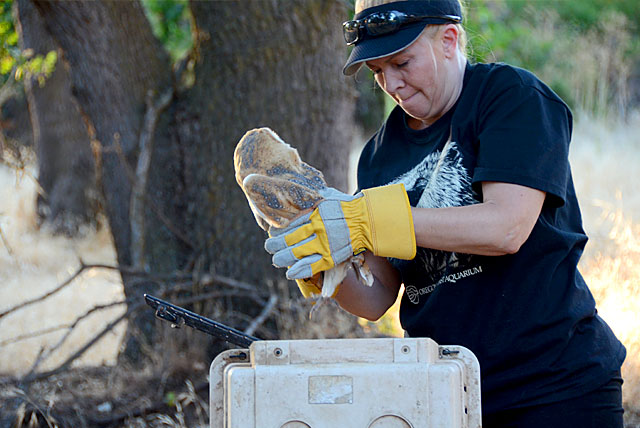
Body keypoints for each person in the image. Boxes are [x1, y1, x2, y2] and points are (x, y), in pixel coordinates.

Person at [264, 0, 627, 425]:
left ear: (449, 40)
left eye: (402, 63)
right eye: (378, 72)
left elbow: (505, 228)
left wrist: (370, 220)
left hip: (557, 386)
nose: (392, 84)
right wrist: (328, 268)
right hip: (444, 391)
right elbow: (378, 296)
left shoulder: (511, 98)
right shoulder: (377, 156)